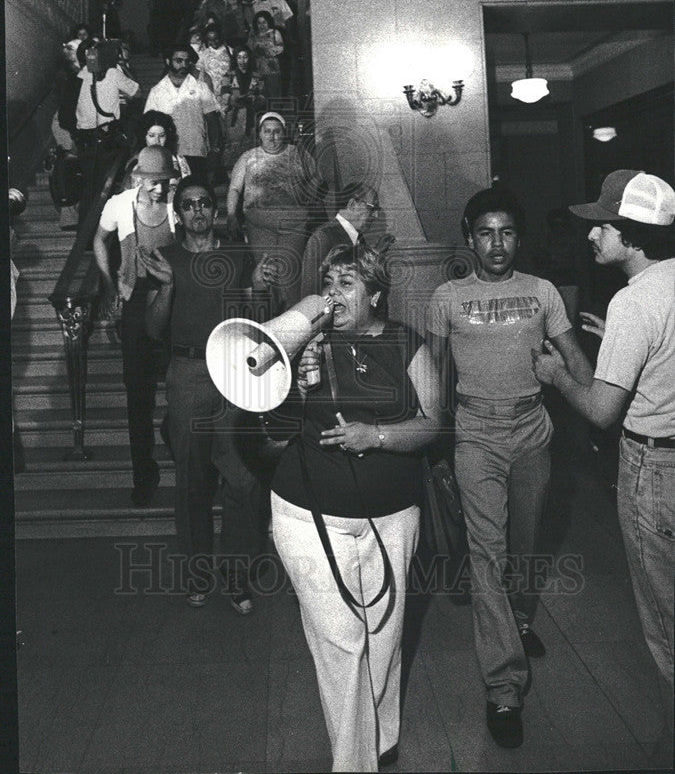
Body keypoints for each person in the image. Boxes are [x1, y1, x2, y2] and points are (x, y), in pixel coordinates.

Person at [426, 185, 593, 749]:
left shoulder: (542, 291)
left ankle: (520, 623)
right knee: (486, 556)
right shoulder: (448, 296)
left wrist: (576, 384)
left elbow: (577, 365)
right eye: (485, 233)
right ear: (470, 238)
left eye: (508, 232)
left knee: (526, 545)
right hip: (475, 435)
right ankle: (503, 684)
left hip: (532, 431)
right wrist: (429, 439)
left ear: (518, 237)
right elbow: (432, 375)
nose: (497, 244)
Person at [271, 244, 442, 772]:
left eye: (346, 283)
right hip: (308, 513)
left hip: (393, 515)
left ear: (375, 294)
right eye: (327, 281)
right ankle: (354, 764)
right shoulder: (307, 344)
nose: (332, 293)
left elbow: (433, 424)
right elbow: (271, 429)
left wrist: (378, 435)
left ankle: (379, 741)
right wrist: (292, 384)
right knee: (341, 645)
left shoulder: (405, 343)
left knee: (384, 637)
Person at [532, 170, 675, 695]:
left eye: (604, 225)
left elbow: (599, 410)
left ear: (632, 232)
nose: (592, 235)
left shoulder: (633, 303)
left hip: (654, 472)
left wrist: (557, 376)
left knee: (665, 620)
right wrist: (616, 344)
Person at [143, 175, 278, 612]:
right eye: (188, 205)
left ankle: (235, 573)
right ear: (177, 214)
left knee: (244, 477)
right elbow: (152, 328)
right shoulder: (165, 258)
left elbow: (258, 318)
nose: (197, 210)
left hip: (235, 372)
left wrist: (258, 285)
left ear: (214, 211)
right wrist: (166, 286)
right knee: (192, 480)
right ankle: (197, 570)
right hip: (187, 374)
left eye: (204, 203)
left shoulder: (238, 255)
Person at [93, 147, 179, 507]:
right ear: (139, 178)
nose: (161, 189)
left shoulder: (177, 207)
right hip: (133, 302)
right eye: (155, 182)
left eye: (166, 182)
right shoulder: (119, 204)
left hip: (172, 302)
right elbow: (98, 240)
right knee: (138, 396)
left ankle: (179, 446)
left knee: (180, 386)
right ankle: (143, 472)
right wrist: (110, 284)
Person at [226, 112, 319, 307]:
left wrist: (310, 191)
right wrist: (231, 214)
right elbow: (235, 188)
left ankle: (292, 322)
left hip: (293, 224)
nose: (272, 136)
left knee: (290, 273)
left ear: (284, 133)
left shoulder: (298, 153)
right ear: (260, 134)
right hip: (259, 225)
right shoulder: (248, 157)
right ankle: (267, 320)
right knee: (265, 273)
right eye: (267, 131)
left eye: (277, 131)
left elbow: (317, 177)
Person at [73, 37, 139, 230]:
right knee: (108, 187)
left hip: (85, 140)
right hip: (107, 138)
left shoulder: (80, 75)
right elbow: (137, 92)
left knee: (90, 187)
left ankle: (86, 233)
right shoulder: (113, 73)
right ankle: (107, 231)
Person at [143, 44, 221, 182]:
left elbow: (213, 121)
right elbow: (148, 125)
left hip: (196, 152)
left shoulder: (201, 87)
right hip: (168, 156)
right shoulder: (157, 91)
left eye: (186, 61)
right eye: (178, 60)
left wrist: (214, 151)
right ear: (168, 62)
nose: (183, 64)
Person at [300, 182, 380, 297]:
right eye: (372, 208)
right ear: (352, 204)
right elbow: (310, 293)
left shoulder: (359, 238)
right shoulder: (323, 236)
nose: (376, 215)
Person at [221, 46, 265, 171]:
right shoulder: (229, 75)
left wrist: (254, 100)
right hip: (234, 116)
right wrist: (234, 100)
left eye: (245, 57)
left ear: (249, 58)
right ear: (235, 59)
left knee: (251, 146)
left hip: (252, 115)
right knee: (234, 146)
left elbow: (263, 95)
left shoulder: (257, 75)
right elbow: (223, 94)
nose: (242, 60)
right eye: (239, 57)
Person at [122, 110, 190, 190]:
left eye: (161, 136)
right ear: (143, 136)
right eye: (151, 136)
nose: (157, 141)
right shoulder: (135, 163)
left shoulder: (179, 161)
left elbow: (188, 189)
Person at [247, 10, 284, 100]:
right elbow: (249, 48)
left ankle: (274, 113)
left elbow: (281, 47)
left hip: (272, 70)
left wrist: (267, 51)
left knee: (274, 95)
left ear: (269, 22)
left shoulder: (275, 33)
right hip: (258, 70)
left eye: (264, 22)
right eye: (259, 23)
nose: (262, 25)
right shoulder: (253, 34)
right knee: (260, 96)